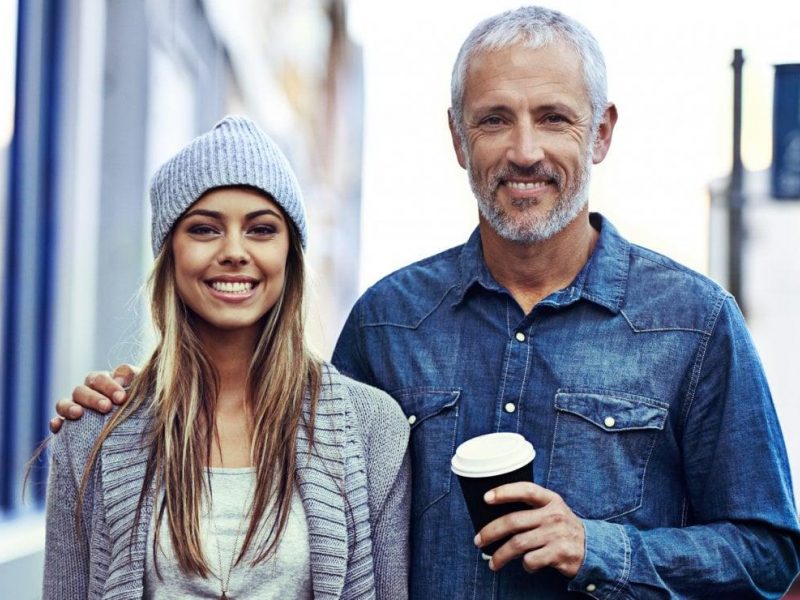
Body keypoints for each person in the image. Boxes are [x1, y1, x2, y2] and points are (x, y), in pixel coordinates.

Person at [54, 6, 800, 599]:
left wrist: (602, 548)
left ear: (601, 132)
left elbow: (769, 555)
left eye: (555, 117)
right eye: (494, 119)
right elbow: (287, 471)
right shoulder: (387, 322)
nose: (525, 150)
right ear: (457, 138)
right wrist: (132, 405)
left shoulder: (695, 323)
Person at [44, 116, 410, 600]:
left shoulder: (373, 430)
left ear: (290, 256)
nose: (234, 252)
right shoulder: (93, 431)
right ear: (169, 253)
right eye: (204, 229)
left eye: (261, 229)